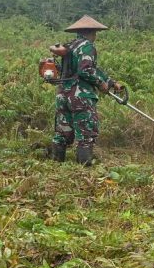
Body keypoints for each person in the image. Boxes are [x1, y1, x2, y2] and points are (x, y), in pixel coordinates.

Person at [48, 15, 122, 166]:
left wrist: (111, 82)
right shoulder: (88, 46)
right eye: (95, 33)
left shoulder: (70, 46)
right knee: (86, 133)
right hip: (80, 96)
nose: (95, 36)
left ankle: (55, 165)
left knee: (62, 132)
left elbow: (91, 68)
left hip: (63, 95)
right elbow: (86, 70)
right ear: (91, 32)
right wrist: (100, 84)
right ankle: (85, 167)